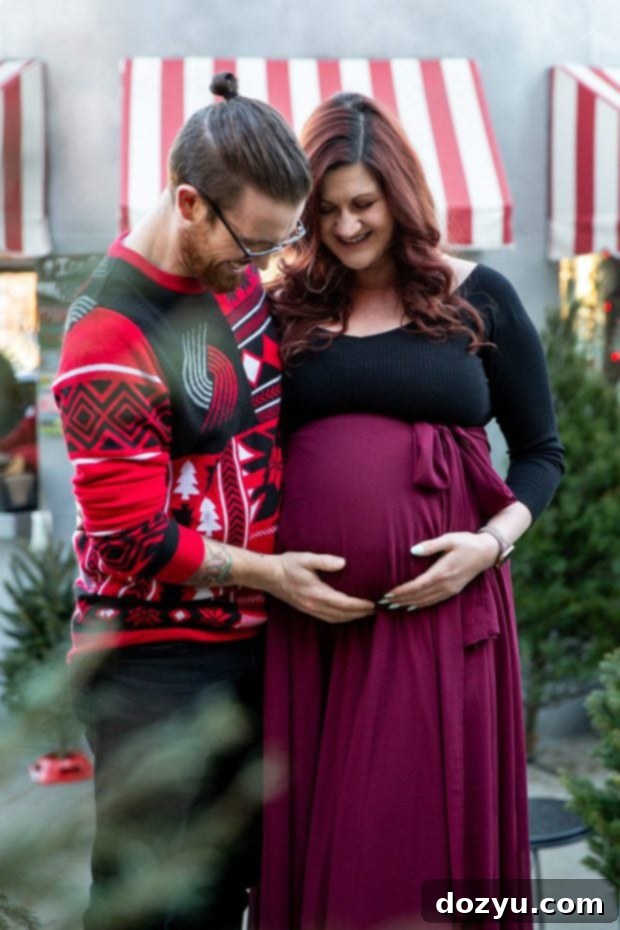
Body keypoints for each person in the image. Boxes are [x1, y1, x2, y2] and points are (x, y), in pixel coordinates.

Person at [53, 74, 373, 930]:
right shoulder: (106, 336)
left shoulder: (233, 278)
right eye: (254, 241)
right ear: (190, 203)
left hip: (250, 647)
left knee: (230, 885)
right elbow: (132, 540)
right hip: (149, 664)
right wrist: (272, 574)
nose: (265, 264)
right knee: (143, 905)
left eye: (282, 240)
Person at [253, 93, 564, 930]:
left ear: (401, 193)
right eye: (328, 210)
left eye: (365, 203)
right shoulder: (282, 305)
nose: (348, 226)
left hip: (441, 615)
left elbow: (542, 454)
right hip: (311, 622)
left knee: (413, 845)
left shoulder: (480, 296)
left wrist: (489, 548)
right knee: (327, 840)